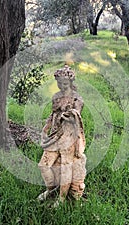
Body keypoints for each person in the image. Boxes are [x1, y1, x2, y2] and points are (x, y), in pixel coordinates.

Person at [38, 65, 86, 205]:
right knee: (43, 165)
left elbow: (76, 116)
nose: (61, 86)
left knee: (66, 167)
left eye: (64, 83)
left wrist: (68, 115)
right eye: (59, 83)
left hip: (69, 136)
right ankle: (51, 189)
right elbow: (52, 115)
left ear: (71, 82)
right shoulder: (56, 97)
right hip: (55, 135)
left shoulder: (77, 99)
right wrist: (45, 129)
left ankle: (62, 198)